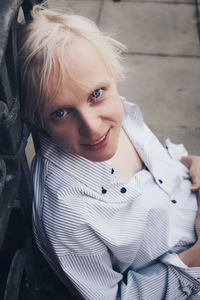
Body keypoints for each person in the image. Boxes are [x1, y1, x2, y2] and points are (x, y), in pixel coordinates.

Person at [18, 5, 200, 300]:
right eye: (61, 112)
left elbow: (164, 174)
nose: (92, 128)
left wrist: (190, 162)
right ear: (38, 118)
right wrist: (195, 258)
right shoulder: (67, 210)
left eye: (96, 94)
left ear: (114, 75)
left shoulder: (124, 115)